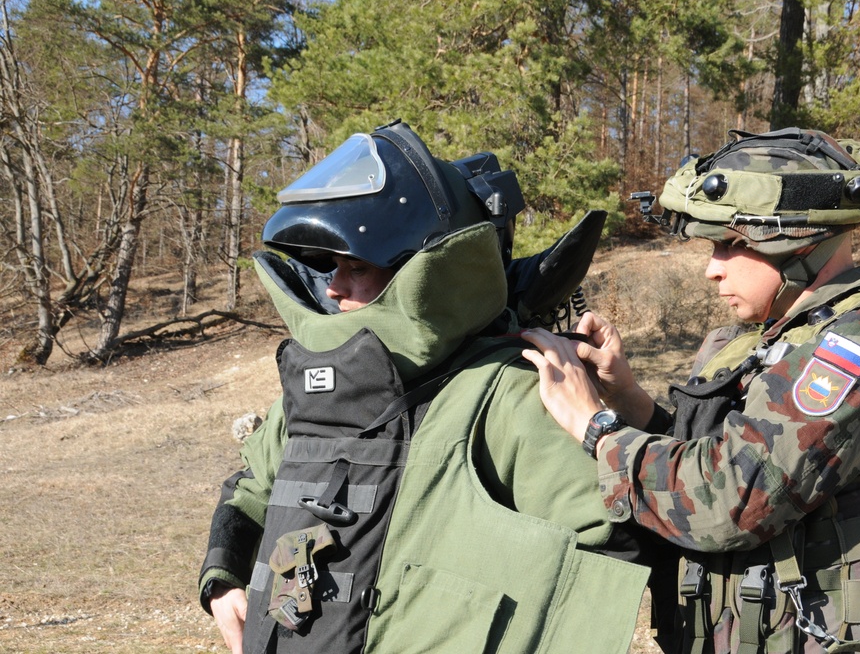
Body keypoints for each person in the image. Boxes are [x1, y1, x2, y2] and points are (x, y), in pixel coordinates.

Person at [197, 119, 651, 654]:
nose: (334, 287)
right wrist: (222, 579)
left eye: (357, 266)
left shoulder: (506, 394)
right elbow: (250, 489)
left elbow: (605, 550)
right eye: (329, 267)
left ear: (423, 272)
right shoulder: (318, 390)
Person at [522, 124, 860, 653]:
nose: (712, 270)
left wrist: (596, 429)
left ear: (795, 238)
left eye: (729, 245)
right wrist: (630, 401)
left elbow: (730, 498)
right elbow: (735, 452)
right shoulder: (769, 338)